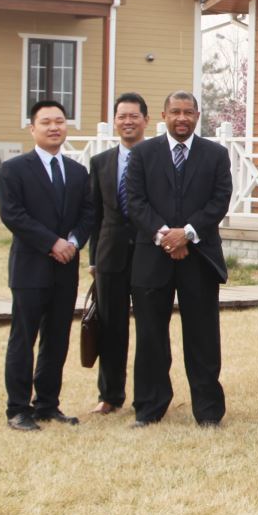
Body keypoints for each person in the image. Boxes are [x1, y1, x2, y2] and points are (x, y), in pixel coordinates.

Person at [125, 91, 232, 427]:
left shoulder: (216, 154)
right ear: (164, 115)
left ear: (198, 115)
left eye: (188, 112)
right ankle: (149, 407)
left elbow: (220, 200)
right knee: (150, 335)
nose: (182, 118)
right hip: (152, 257)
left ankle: (208, 411)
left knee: (203, 336)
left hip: (199, 257)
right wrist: (165, 236)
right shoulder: (142, 154)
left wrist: (186, 233)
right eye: (175, 112)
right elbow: (134, 201)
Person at [0, 99, 95, 430]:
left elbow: (88, 213)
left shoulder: (77, 171)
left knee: (57, 338)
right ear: (32, 128)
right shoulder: (14, 169)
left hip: (65, 268)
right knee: (23, 338)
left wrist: (73, 242)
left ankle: (47, 404)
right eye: (46, 122)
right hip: (30, 268)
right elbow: (13, 215)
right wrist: (51, 243)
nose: (54, 127)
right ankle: (18, 409)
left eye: (59, 121)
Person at [85, 92, 148, 416]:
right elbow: (94, 214)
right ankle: (110, 395)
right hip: (110, 256)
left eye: (133, 116)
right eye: (122, 116)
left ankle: (149, 396)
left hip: (149, 253)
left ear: (146, 120)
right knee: (111, 327)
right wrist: (93, 259)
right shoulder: (100, 162)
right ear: (114, 122)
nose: (128, 122)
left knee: (150, 328)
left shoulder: (156, 158)